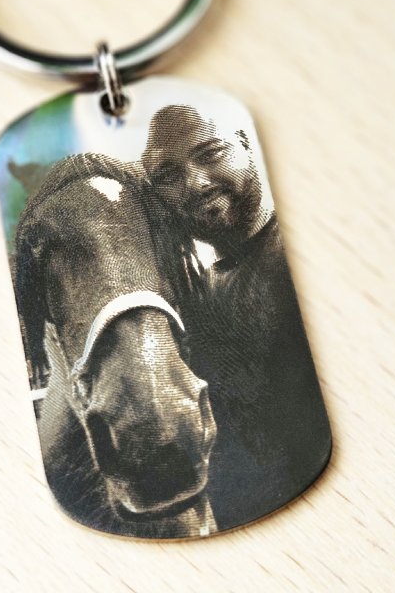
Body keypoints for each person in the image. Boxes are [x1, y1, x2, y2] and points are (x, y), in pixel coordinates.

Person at [142, 105, 332, 528]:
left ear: (246, 144)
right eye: (168, 177)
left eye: (211, 153)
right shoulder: (197, 292)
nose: (195, 183)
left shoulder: (303, 255)